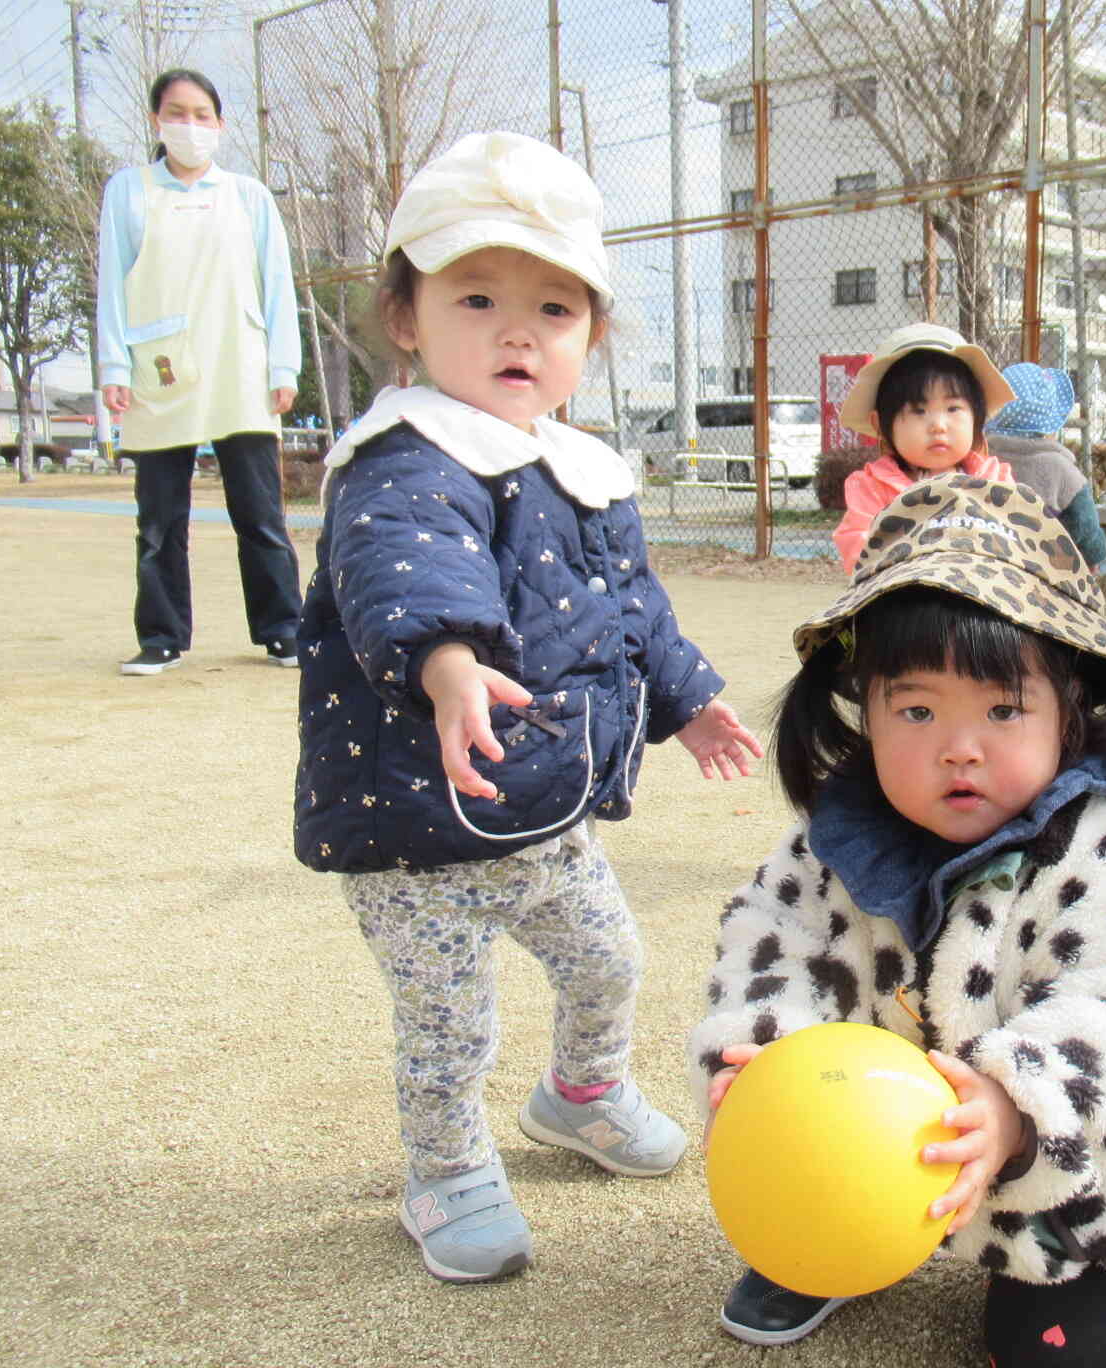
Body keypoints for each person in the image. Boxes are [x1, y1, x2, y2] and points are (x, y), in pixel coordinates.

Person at [292, 130, 764, 1284]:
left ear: (589, 336)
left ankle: (582, 1093)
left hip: (546, 810)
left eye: (554, 309)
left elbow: (631, 610)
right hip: (416, 826)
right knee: (451, 1024)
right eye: (478, 296)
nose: (517, 330)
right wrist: (446, 664)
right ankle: (445, 1168)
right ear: (405, 316)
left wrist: (687, 699)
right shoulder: (403, 456)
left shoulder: (584, 467)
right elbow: (405, 567)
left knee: (610, 962)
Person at [689, 477, 1106, 1365]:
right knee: (804, 1187)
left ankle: (1098, 1269)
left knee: (1057, 1342)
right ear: (863, 707)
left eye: (1004, 710)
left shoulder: (1101, 852)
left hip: (1072, 1186)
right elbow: (768, 949)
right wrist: (765, 1057)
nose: (959, 748)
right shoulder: (833, 839)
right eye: (918, 710)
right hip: (867, 1147)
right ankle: (834, 1231)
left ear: (1070, 707)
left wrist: (1018, 1107)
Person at [97, 68, 305, 676]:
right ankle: (161, 635)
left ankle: (283, 629)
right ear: (156, 121)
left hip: (240, 362)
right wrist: (113, 364)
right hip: (159, 366)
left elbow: (276, 285)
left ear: (220, 124)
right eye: (176, 113)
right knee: (159, 517)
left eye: (201, 114)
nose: (188, 126)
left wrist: (283, 365)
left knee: (260, 513)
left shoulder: (249, 196)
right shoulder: (128, 191)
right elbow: (112, 282)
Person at [830, 322, 1017, 573]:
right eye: (919, 411)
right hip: (902, 599)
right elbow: (858, 548)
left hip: (979, 599)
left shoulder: (994, 481)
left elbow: (1019, 542)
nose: (938, 426)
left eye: (953, 409)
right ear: (881, 424)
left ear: (977, 416)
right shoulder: (873, 488)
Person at [985, 362, 1106, 568]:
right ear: (1050, 427)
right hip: (1046, 571)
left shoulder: (982, 458)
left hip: (991, 568)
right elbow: (1084, 524)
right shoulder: (1060, 469)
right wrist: (1093, 557)